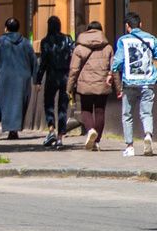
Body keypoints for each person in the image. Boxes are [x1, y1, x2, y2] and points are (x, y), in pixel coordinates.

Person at [110, 11, 156, 157]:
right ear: (141, 24)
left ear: (127, 26)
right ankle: (147, 135)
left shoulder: (123, 41)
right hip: (148, 81)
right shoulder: (152, 39)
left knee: (127, 115)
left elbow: (117, 62)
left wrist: (112, 74)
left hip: (129, 82)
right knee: (146, 113)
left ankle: (130, 146)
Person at [67, 20, 113, 151]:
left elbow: (74, 70)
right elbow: (113, 68)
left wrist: (69, 87)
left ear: (87, 31)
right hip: (102, 84)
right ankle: (96, 141)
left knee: (86, 110)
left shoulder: (79, 48)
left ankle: (91, 130)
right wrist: (118, 87)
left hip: (84, 84)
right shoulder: (108, 47)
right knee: (100, 111)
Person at [0, 18, 37, 141]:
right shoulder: (26, 43)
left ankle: (12, 129)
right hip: (23, 78)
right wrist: (36, 79)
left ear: (6, 28)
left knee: (7, 103)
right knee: (19, 103)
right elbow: (34, 61)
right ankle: (14, 129)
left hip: (5, 77)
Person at [36, 16, 75, 148]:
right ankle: (60, 138)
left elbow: (43, 63)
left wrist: (38, 80)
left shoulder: (45, 41)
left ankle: (51, 129)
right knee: (63, 106)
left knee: (49, 104)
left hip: (51, 76)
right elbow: (73, 57)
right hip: (65, 76)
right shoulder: (68, 39)